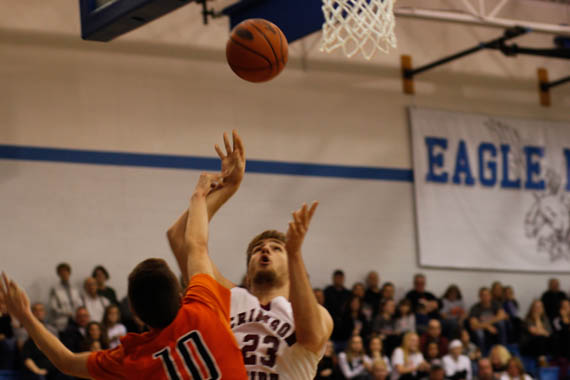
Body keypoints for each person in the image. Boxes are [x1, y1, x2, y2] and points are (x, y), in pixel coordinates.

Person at [0, 171, 248, 379]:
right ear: (182, 294)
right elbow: (196, 245)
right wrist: (200, 194)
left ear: (136, 313)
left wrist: (24, 315)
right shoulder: (204, 308)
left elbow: (67, 362)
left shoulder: (132, 360)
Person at [167, 131, 333, 379]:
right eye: (258, 249)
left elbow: (310, 337)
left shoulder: (316, 313)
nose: (265, 249)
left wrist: (295, 252)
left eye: (277, 248)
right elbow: (179, 238)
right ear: (248, 268)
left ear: (293, 266)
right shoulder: (229, 298)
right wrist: (227, 189)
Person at [21, 303, 61, 380]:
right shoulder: (29, 341)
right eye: (36, 310)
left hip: (52, 368)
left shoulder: (52, 331)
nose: (39, 312)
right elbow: (26, 358)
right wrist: (37, 370)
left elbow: (58, 351)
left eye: (41, 310)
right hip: (36, 369)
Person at [468, 288, 508, 353]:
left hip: (489, 325)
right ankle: (482, 353)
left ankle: (503, 349)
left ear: (490, 296)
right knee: (479, 333)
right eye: (483, 295)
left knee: (501, 323)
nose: (485, 297)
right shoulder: (475, 308)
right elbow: (474, 325)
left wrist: (487, 324)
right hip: (481, 328)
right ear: (480, 297)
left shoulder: (495, 304)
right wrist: (487, 326)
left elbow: (502, 316)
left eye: (487, 295)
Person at [48, 263, 83, 332]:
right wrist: (68, 312)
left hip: (76, 320)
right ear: (59, 274)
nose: (64, 273)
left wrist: (77, 313)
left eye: (66, 271)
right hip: (62, 321)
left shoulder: (75, 288)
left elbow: (80, 303)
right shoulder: (55, 289)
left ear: (69, 273)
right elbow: (54, 308)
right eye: (61, 272)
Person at [325, 269, 352, 337]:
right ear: (333, 278)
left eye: (340, 278)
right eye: (337, 278)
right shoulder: (327, 292)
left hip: (344, 323)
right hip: (330, 320)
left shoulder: (348, 293)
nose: (339, 280)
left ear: (343, 279)